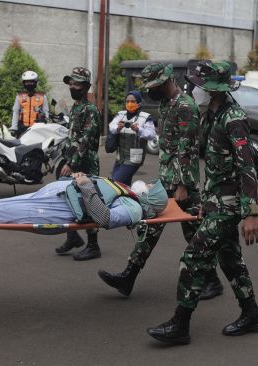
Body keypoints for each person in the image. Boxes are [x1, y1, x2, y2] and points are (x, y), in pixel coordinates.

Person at [147, 61, 258, 345]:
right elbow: (214, 167)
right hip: (216, 202)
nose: (193, 89)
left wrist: (251, 214)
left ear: (214, 89)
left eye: (199, 85)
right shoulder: (212, 114)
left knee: (194, 258)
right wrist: (208, 203)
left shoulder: (232, 117)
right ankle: (252, 314)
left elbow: (246, 167)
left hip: (229, 204)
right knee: (230, 259)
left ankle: (180, 324)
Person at [98, 63, 224, 302]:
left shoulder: (185, 106)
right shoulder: (166, 104)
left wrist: (182, 185)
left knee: (195, 235)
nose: (148, 91)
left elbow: (187, 149)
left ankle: (212, 280)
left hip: (181, 184)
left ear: (165, 82)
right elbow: (167, 146)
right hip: (166, 180)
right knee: (149, 228)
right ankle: (128, 277)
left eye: (152, 86)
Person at [0, 174, 169, 229]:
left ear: (150, 197)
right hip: (53, 196)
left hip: (50, 209)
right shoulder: (128, 194)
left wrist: (85, 186)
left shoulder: (134, 208)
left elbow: (104, 218)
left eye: (149, 186)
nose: (145, 183)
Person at [56, 67, 102, 260]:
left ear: (86, 87)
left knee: (88, 200)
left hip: (86, 163)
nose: (72, 87)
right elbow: (73, 138)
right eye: (71, 83)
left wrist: (72, 164)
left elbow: (84, 141)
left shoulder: (90, 110)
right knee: (67, 196)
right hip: (75, 159)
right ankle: (73, 235)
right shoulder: (76, 107)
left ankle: (93, 246)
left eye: (77, 84)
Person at [107, 90, 157, 185]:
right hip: (120, 157)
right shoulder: (121, 114)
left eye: (133, 101)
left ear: (139, 103)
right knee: (125, 185)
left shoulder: (145, 117)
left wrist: (139, 129)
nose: (130, 103)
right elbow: (111, 126)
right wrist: (118, 128)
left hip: (134, 158)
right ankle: (128, 199)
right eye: (127, 101)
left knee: (114, 183)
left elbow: (152, 135)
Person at [10, 70, 49, 137]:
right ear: (24, 83)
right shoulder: (19, 96)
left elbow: (46, 112)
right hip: (22, 128)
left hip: (37, 129)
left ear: (35, 83)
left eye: (31, 82)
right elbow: (16, 112)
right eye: (27, 82)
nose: (29, 84)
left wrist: (46, 123)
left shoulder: (42, 97)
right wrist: (14, 128)